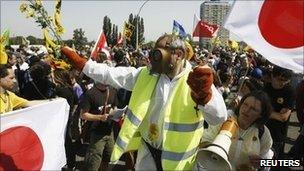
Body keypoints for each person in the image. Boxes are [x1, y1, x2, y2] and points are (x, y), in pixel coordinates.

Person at [62, 34, 227, 170]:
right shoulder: (145, 75)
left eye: (161, 50)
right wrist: (82, 64)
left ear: (179, 55)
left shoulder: (197, 81)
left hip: (180, 163)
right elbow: (110, 74)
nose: (155, 55)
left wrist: (206, 97)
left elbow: (218, 118)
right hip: (148, 155)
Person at [200, 91, 273, 171]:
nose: (246, 110)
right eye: (245, 104)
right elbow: (204, 141)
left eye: (253, 109)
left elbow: (267, 161)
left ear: (261, 114)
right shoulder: (225, 119)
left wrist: (261, 164)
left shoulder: (263, 133)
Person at [78, 82, 118, 171]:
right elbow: (83, 115)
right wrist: (100, 117)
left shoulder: (112, 91)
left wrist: (117, 113)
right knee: (94, 162)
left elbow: (114, 106)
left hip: (109, 131)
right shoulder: (90, 93)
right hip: (96, 133)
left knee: (107, 158)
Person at [263, 65, 295, 159]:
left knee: (273, 160)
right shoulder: (266, 87)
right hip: (262, 129)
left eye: (286, 80)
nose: (283, 83)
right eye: (280, 79)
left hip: (278, 134)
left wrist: (263, 112)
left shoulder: (289, 91)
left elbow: (283, 117)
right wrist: (274, 113)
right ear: (272, 76)